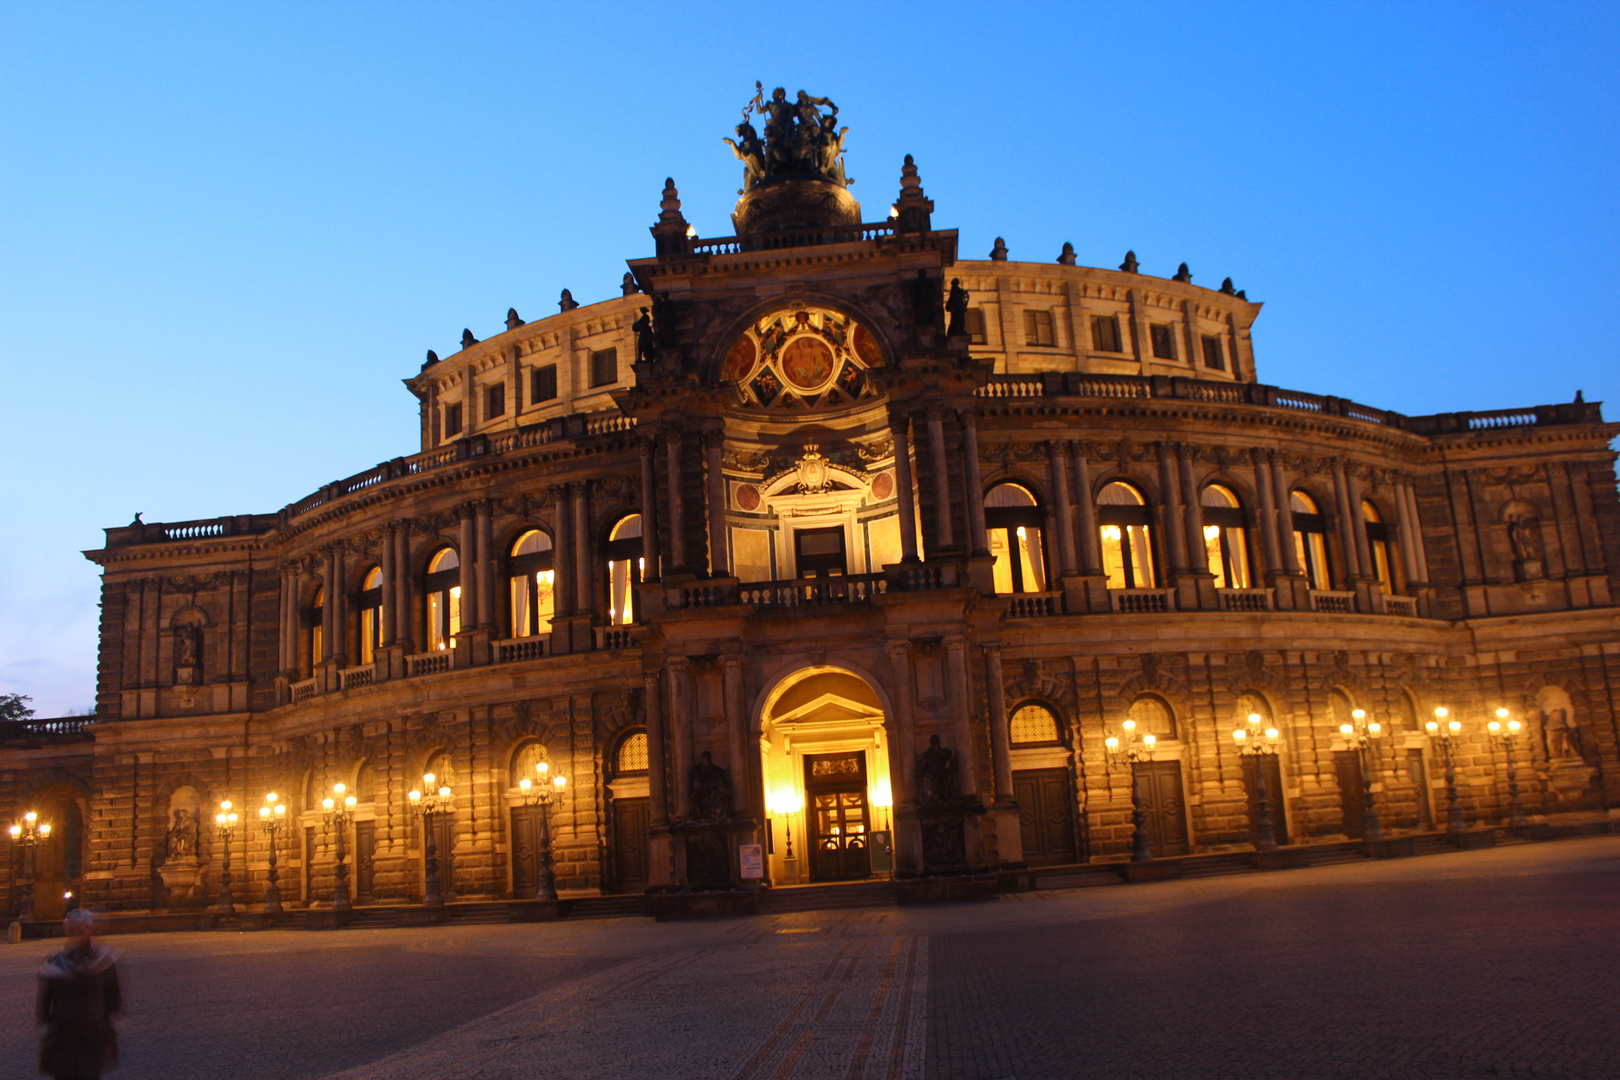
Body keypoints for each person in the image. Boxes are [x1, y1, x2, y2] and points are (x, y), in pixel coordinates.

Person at [36, 909, 121, 1080]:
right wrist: (43, 1024)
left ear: (89, 930)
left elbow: (113, 994)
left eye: (82, 930)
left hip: (93, 1032)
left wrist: (113, 1020)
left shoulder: (103, 960)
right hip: (63, 1033)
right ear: (67, 932)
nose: (78, 935)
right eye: (73, 931)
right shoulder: (55, 962)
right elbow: (44, 999)